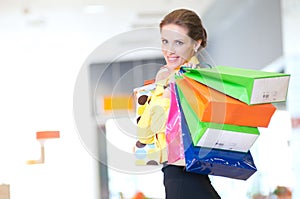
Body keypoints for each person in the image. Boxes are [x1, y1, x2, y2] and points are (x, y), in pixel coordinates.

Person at [156, 9, 221, 199]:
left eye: (178, 42)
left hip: (190, 173)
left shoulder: (204, 78)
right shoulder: (165, 76)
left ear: (196, 43)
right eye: (165, 41)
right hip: (177, 173)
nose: (169, 50)